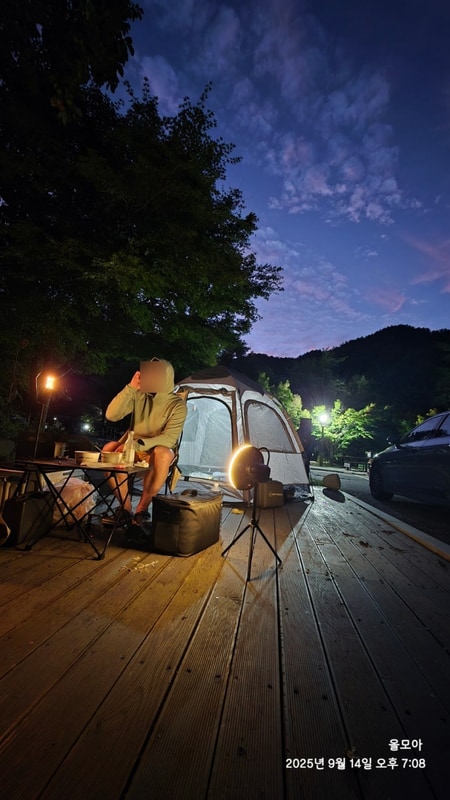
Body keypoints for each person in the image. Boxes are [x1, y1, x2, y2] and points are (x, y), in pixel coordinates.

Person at [102, 358, 187, 530]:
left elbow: (169, 438)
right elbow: (111, 416)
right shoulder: (138, 395)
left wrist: (138, 445)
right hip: (132, 449)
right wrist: (131, 388)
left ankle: (142, 509)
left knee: (162, 453)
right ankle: (125, 508)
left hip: (156, 451)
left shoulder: (177, 405)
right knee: (108, 449)